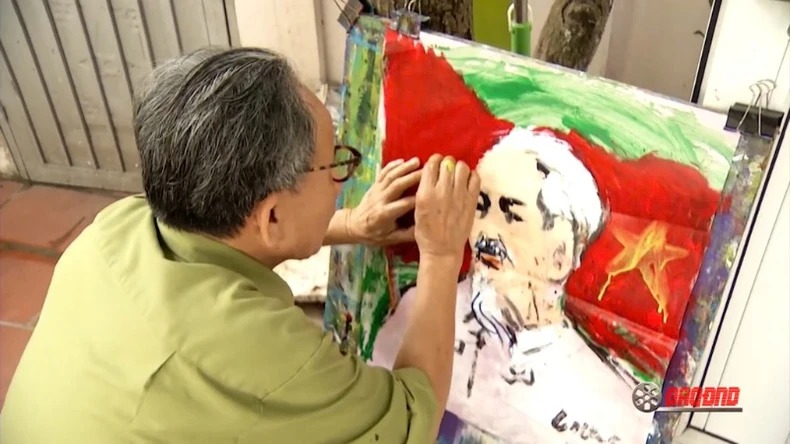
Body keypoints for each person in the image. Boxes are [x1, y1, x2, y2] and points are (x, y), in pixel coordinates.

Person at [0, 47, 480, 444]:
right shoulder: (271, 355)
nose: (341, 181)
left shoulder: (113, 227)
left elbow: (241, 234)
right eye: (334, 164)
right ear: (272, 217)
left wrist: (351, 224)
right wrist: (440, 255)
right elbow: (413, 415)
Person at [372, 127, 654, 443]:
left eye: (512, 216)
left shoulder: (608, 400)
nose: (486, 232)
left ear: (559, 256)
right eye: (480, 208)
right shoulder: (419, 309)